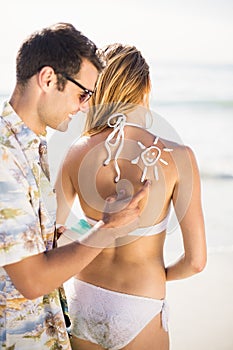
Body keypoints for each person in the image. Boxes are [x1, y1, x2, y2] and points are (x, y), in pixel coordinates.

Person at [0, 25, 150, 350]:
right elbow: (33, 280)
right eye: (83, 94)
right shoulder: (5, 158)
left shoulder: (32, 147)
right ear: (48, 79)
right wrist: (107, 230)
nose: (86, 107)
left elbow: (29, 251)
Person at [55, 43, 207, 350]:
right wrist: (158, 275)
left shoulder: (76, 153)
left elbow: (52, 238)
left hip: (83, 297)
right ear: (145, 87)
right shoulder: (178, 157)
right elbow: (196, 262)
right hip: (140, 302)